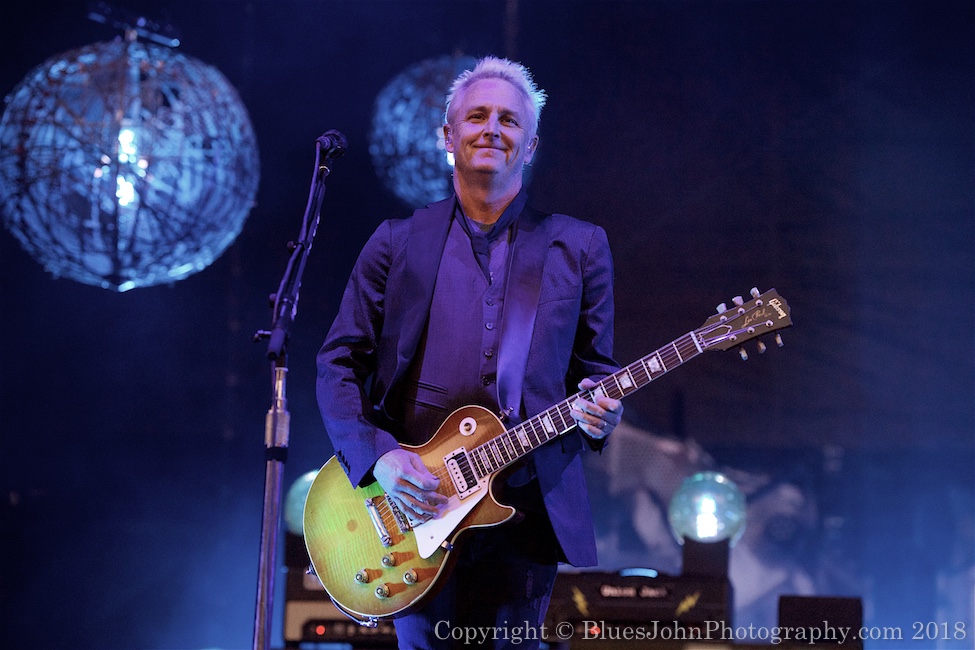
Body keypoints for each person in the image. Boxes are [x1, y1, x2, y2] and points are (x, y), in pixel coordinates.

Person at [316, 56, 623, 649]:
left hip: (524, 509)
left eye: (509, 121)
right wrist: (378, 458)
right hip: (416, 506)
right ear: (447, 136)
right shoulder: (397, 242)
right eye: (477, 115)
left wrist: (600, 411)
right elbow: (338, 362)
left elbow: (597, 373)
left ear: (529, 146)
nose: (492, 129)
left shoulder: (579, 246)